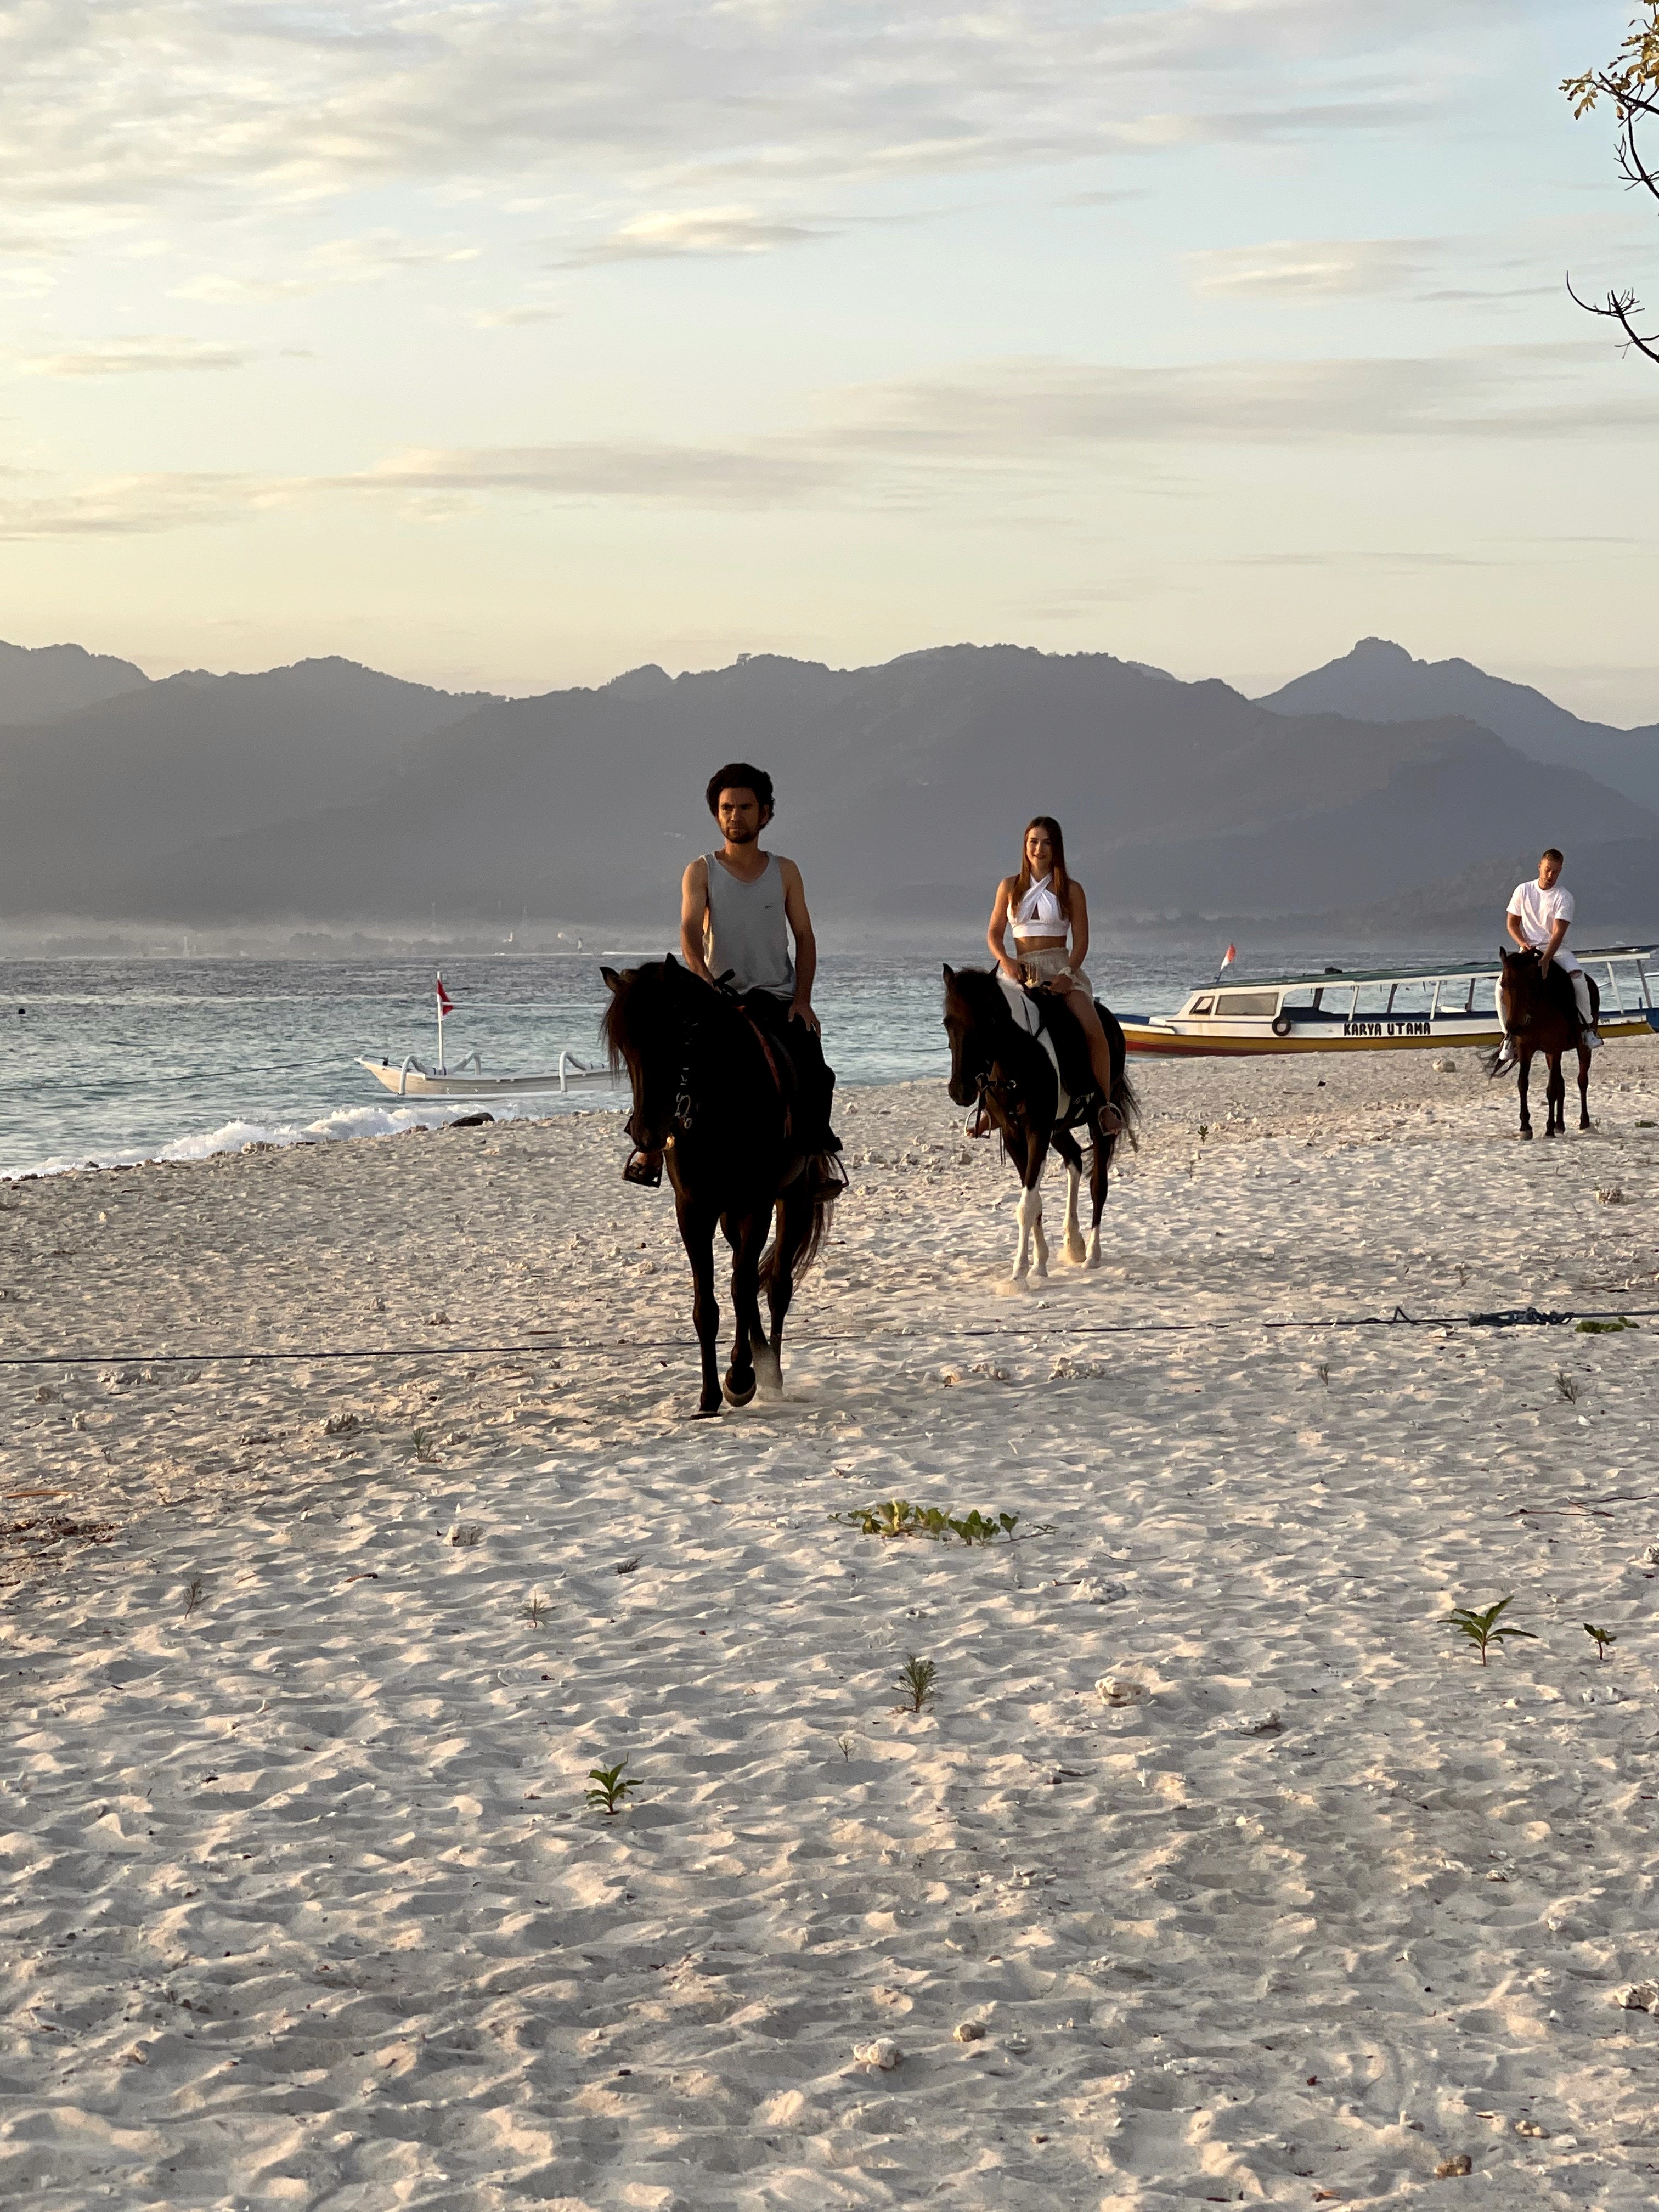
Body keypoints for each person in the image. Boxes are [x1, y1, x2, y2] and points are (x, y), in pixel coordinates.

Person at [623, 761, 842, 1186]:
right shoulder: (701, 871)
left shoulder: (785, 871)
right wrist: (702, 975)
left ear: (765, 814)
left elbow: (804, 936)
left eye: (745, 807)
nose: (735, 816)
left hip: (777, 999)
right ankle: (650, 1149)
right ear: (716, 814)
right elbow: (690, 929)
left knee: (816, 1070)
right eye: (727, 808)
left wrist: (803, 999)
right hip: (718, 999)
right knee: (664, 1060)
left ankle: (816, 1159)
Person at [987, 814, 1120, 1119]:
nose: (1039, 849)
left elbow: (1082, 942)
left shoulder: (1071, 889)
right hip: (1018, 970)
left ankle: (1104, 1106)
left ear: (1056, 848)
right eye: (1033, 842)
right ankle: (991, 1106)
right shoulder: (1009, 886)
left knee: (1094, 1030)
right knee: (987, 1028)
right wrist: (1006, 962)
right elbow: (994, 934)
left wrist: (1067, 975)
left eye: (1047, 843)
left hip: (1060, 969)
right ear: (1025, 845)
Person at [1500, 848, 1600, 1059]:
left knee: (1579, 979)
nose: (1550, 875)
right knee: (1501, 985)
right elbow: (1512, 924)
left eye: (1555, 871)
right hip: (1528, 950)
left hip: (1557, 950)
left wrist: (1546, 959)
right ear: (1540, 866)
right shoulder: (1523, 891)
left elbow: (1558, 934)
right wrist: (1523, 944)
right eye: (1547, 870)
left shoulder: (1564, 897)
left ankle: (1588, 1029)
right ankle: (1508, 1037)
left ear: (1560, 871)